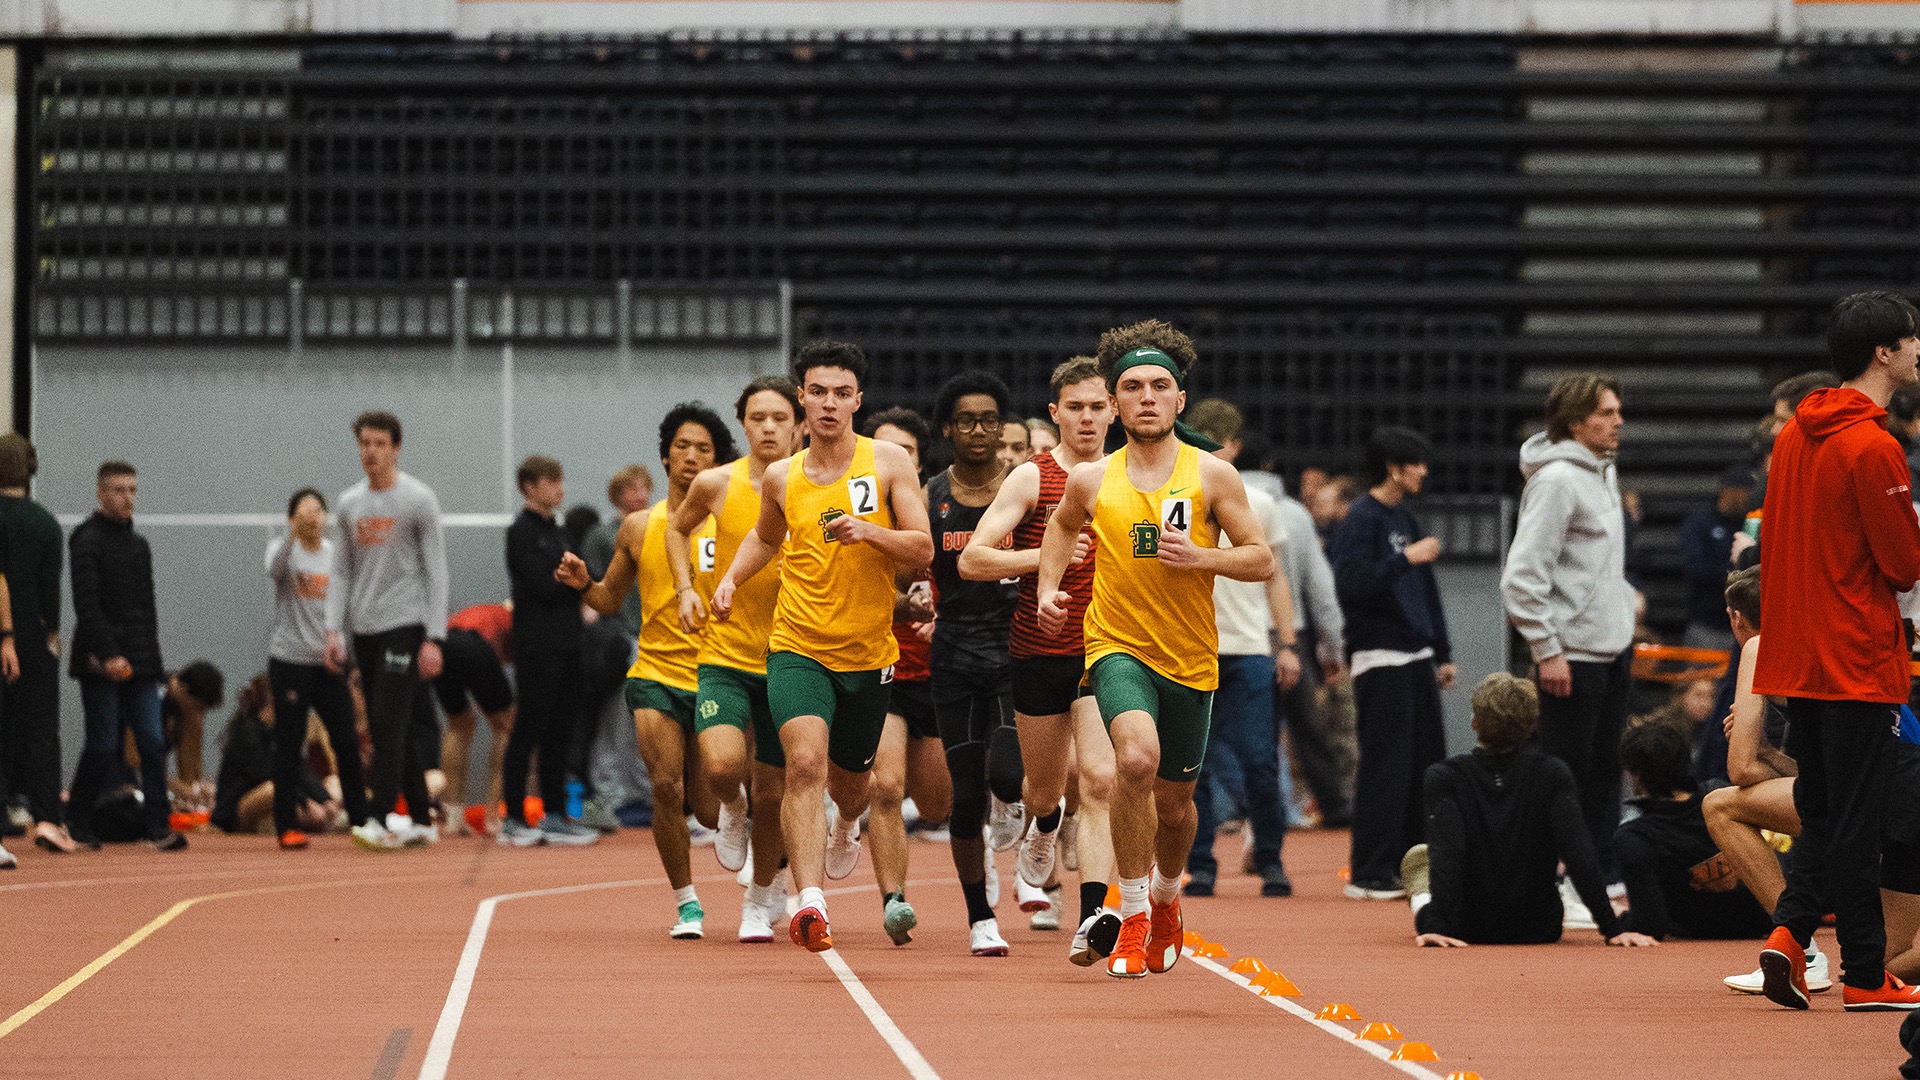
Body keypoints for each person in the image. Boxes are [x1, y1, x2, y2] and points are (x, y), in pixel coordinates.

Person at [1036, 319, 1275, 979]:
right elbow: (1060, 528)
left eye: (1159, 386)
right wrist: (1050, 589)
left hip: (1190, 657)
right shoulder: (1091, 479)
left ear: (1179, 400)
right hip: (1116, 647)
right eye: (1132, 387)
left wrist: (1203, 556)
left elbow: (1261, 561)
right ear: (1114, 404)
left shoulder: (1214, 476)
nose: (1145, 396)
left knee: (1175, 806)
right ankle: (1133, 911)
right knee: (1132, 760)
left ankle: (1169, 897)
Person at [712, 340, 933, 952]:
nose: (829, 404)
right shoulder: (783, 476)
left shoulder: (887, 462)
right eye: (818, 392)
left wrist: (870, 531)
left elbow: (923, 549)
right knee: (802, 765)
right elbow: (764, 538)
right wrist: (731, 577)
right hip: (797, 645)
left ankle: (849, 825)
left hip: (867, 655)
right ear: (802, 399)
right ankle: (809, 899)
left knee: (851, 785)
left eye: (841, 393)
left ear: (857, 400)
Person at [1748, 291, 1920, 1011]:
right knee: (1855, 823)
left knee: (1823, 813)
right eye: (1912, 341)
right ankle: (1863, 974)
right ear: (1883, 352)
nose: (1918, 351)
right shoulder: (1874, 445)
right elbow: (1904, 564)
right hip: (1854, 654)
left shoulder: (1796, 434)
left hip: (1799, 653)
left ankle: (1789, 938)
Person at [960, 355, 1122, 967]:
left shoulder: (1133, 478)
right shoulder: (1032, 478)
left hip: (1105, 649)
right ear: (1055, 414)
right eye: (1074, 407)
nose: (1086, 417)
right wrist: (1047, 558)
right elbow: (973, 560)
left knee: (1100, 780)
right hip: (1037, 649)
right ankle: (1045, 824)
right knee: (1047, 787)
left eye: (1096, 406)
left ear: (1113, 411)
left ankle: (1091, 918)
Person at [559, 403, 731, 935]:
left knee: (707, 806)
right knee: (664, 787)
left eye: (703, 449)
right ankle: (687, 903)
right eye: (682, 446)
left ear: (717, 461)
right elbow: (611, 599)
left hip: (717, 672)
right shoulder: (639, 526)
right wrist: (585, 583)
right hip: (656, 672)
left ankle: (738, 822)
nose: (691, 457)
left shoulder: (734, 522)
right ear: (664, 456)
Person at [664, 375, 804, 943]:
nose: (768, 428)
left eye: (778, 418)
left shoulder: (813, 483)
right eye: (757, 419)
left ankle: (758, 898)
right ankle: (730, 807)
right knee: (722, 767)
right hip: (724, 650)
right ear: (742, 424)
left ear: (796, 424)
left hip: (790, 654)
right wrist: (686, 589)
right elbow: (675, 529)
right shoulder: (717, 483)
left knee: (775, 793)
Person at [1501, 373, 1635, 915]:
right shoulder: (1556, 480)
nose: (1618, 420)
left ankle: (1593, 878)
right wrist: (1546, 648)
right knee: (1566, 776)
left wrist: (1622, 597)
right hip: (1572, 654)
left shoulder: (1602, 470)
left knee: (1605, 771)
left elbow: (1588, 564)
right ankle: (1557, 881)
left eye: (1618, 410)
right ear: (1575, 421)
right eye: (1605, 412)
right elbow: (1521, 575)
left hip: (1611, 646)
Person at [1401, 673, 1657, 949]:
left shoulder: (1443, 776)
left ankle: (1420, 892)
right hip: (1538, 925)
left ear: (1475, 723)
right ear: (1532, 726)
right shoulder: (1552, 773)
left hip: (1465, 926)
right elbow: (1578, 851)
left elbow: (1449, 852)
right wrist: (1611, 928)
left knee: (1421, 858)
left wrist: (1438, 926)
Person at [924, 369, 1029, 956]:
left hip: (1017, 648)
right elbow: (909, 563)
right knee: (963, 799)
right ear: (948, 428)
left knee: (1009, 776)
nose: (980, 429)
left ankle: (1017, 805)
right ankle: (979, 915)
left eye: (990, 419)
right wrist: (910, 591)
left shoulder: (1025, 488)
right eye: (966, 419)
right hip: (955, 653)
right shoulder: (928, 494)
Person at [1181, 399, 1302, 899]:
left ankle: (1270, 857)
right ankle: (1201, 863)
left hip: (1249, 645)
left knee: (1259, 759)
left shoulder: (1259, 502)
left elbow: (1276, 580)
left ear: (1234, 446)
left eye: (1218, 444)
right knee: (1196, 763)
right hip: (1192, 643)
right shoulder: (1175, 498)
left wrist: (1287, 643)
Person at [1329, 427, 1454, 900]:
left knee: (1425, 765)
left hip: (1416, 654)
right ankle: (1370, 871)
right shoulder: (1361, 519)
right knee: (1386, 767)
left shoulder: (1406, 515)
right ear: (1393, 467)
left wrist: (1441, 651)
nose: (1424, 471)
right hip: (1379, 655)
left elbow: (1426, 590)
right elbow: (1353, 583)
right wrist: (1405, 558)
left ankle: (1413, 865)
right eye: (1415, 462)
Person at [325, 411, 449, 851]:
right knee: (393, 722)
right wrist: (332, 630)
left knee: (385, 719)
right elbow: (339, 570)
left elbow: (436, 571)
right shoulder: (349, 504)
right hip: (365, 627)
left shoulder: (418, 499)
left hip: (405, 624)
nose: (371, 452)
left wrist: (434, 637)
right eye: (365, 443)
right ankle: (420, 818)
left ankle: (380, 817)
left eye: (380, 443)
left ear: (395, 448)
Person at [864, 406, 954, 947]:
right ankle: (894, 899)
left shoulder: (946, 510)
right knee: (886, 786)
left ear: (919, 462)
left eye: (904, 451)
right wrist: (905, 610)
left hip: (940, 675)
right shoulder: (855, 514)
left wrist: (945, 623)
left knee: (937, 804)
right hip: (881, 668)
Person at [67, 461, 185, 851]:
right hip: (100, 663)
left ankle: (157, 827)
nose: (127, 498)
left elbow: (146, 610)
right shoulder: (85, 540)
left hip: (141, 665)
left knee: (153, 743)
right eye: (118, 490)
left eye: (132, 490)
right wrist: (109, 654)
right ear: (100, 494)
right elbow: (87, 606)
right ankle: (77, 819)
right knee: (102, 744)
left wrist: (153, 665)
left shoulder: (139, 546)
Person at [500, 455, 598, 847]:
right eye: (552, 481)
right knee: (529, 727)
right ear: (530, 487)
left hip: (569, 643)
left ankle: (555, 814)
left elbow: (580, 577)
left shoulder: (560, 531)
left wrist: (577, 583)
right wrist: (572, 584)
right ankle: (513, 816)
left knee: (561, 729)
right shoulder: (520, 532)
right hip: (537, 646)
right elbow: (542, 583)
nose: (560, 488)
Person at [266, 487, 365, 850]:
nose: (312, 517)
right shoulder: (283, 552)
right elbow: (274, 572)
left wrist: (343, 650)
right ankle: (286, 824)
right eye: (304, 512)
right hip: (290, 661)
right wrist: (293, 534)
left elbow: (346, 605)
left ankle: (360, 820)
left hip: (328, 663)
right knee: (291, 743)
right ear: (292, 518)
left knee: (346, 741)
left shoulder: (335, 556)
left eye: (318, 511)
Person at [1614, 720, 1775, 941]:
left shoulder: (1635, 837)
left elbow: (1649, 923)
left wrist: (1619, 922)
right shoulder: (1722, 796)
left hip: (1696, 931)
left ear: (1637, 776)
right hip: (1764, 919)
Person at [0, 434, 70, 853]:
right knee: (42, 730)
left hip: (4, 635)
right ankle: (48, 818)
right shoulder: (44, 523)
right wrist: (52, 636)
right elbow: (50, 590)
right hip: (33, 636)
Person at [213, 675, 341, 837]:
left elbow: (300, 770)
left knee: (333, 783)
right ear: (275, 700)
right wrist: (305, 801)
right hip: (240, 805)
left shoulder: (283, 732)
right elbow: (265, 774)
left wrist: (325, 800)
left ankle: (329, 819)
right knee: (271, 790)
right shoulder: (247, 732)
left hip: (280, 796)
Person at [434, 602, 514, 836]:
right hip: (474, 646)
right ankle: (493, 817)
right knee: (506, 727)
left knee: (459, 725)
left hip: (444, 645)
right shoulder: (514, 619)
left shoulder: (483, 612)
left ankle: (454, 818)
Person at [1676, 465, 1754, 652]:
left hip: (1747, 623)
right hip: (1709, 622)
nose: (1747, 498)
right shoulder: (1701, 521)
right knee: (1702, 678)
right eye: (1743, 492)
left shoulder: (1751, 522)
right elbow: (1696, 568)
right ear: (1729, 490)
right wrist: (1737, 575)